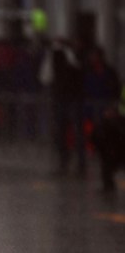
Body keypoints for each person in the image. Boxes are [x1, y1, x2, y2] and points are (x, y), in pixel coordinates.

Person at [39, 39, 85, 176]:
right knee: (66, 132)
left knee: (67, 132)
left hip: (66, 98)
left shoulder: (59, 55)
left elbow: (45, 77)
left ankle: (71, 163)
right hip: (66, 98)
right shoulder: (61, 55)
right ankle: (71, 162)